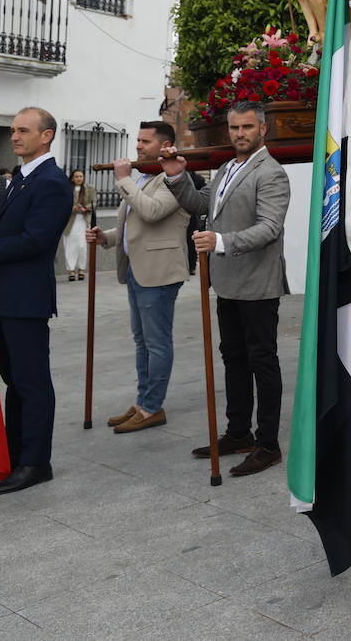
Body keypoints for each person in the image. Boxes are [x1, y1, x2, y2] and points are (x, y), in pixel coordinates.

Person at [160, 101, 291, 476]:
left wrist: (220, 241)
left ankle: (268, 444)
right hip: (227, 281)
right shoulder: (227, 168)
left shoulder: (272, 173)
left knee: (262, 361)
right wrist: (177, 177)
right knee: (233, 358)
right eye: (234, 127)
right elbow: (203, 205)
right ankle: (238, 433)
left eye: (247, 127)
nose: (239, 134)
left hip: (258, 283)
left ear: (262, 129)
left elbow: (270, 227)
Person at [0, 107, 70, 496]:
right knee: (15, 381)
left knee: (32, 382)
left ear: (46, 136)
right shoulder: (21, 178)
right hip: (3, 297)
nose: (14, 136)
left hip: (26, 299)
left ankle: (36, 462)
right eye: (12, 130)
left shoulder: (52, 182)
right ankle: (13, 455)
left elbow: (35, 240)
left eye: (23, 130)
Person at [86, 121, 190, 434]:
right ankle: (143, 401)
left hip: (160, 271)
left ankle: (152, 407)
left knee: (157, 343)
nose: (138, 146)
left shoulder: (175, 179)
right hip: (136, 268)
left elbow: (151, 212)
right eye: (138, 140)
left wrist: (123, 179)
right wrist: (106, 236)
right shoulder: (144, 176)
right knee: (142, 341)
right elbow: (134, 223)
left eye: (145, 141)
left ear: (165, 145)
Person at [62, 170, 96, 281]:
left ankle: (81, 270)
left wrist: (85, 208)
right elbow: (61, 204)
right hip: (69, 223)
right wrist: (72, 209)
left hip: (83, 221)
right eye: (76, 176)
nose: (79, 178)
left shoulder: (89, 188)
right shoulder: (66, 189)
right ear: (72, 178)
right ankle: (71, 271)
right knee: (70, 246)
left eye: (81, 176)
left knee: (82, 246)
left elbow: (94, 203)